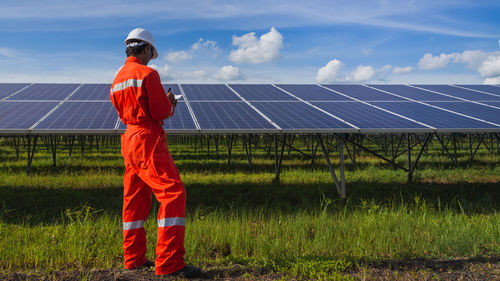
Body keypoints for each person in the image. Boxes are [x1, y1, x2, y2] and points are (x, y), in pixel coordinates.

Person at [110, 27, 201, 278]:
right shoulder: (148, 74)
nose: (151, 57)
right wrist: (170, 103)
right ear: (147, 49)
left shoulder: (117, 79)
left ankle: (134, 258)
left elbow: (123, 110)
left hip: (129, 139)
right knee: (173, 193)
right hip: (148, 139)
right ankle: (170, 263)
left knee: (134, 200)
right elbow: (160, 112)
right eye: (151, 52)